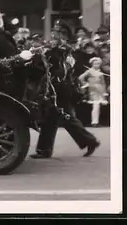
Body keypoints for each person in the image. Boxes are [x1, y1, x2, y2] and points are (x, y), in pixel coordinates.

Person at [30, 31, 100, 159]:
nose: (52, 40)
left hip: (61, 90)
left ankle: (90, 141)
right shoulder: (56, 50)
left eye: (55, 38)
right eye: (51, 38)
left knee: (67, 119)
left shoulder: (64, 51)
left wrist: (44, 53)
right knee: (50, 120)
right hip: (54, 89)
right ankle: (44, 150)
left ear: (62, 38)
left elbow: (60, 69)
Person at [78, 57, 108, 127]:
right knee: (95, 105)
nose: (96, 65)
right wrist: (86, 84)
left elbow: (103, 82)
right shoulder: (89, 71)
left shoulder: (100, 71)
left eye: (98, 64)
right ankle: (94, 122)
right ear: (92, 64)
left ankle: (96, 121)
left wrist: (104, 92)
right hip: (93, 90)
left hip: (100, 90)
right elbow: (80, 77)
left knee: (98, 106)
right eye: (94, 64)